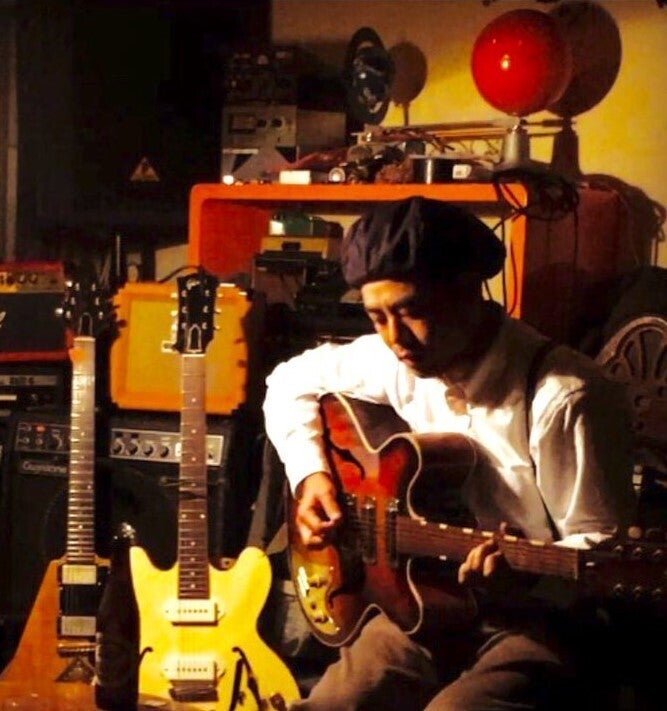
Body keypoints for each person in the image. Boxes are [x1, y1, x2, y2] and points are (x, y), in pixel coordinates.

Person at [262, 196, 635, 711]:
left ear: (467, 291)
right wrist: (311, 477)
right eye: (376, 317)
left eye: (411, 311)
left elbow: (603, 546)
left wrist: (525, 578)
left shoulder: (564, 397)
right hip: (424, 601)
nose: (395, 338)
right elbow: (287, 382)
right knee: (332, 703)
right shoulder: (396, 359)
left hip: (541, 621)